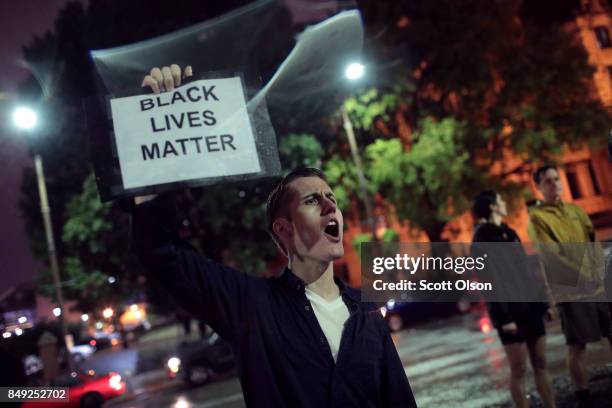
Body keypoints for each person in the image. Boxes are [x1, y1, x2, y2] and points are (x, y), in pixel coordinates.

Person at [131, 65, 416, 407]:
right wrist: (154, 128)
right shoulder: (250, 306)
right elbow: (161, 251)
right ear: (283, 228)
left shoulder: (368, 312)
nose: (330, 207)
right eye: (312, 200)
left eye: (333, 199)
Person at [528, 164, 612, 407]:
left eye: (557, 179)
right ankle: (583, 395)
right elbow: (551, 255)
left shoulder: (576, 210)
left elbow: (592, 240)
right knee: (577, 346)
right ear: (539, 187)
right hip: (570, 290)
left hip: (598, 286)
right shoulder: (538, 218)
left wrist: (598, 270)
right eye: (548, 181)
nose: (554, 184)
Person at [472, 191, 556, 408]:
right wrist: (505, 317)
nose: (504, 203)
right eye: (500, 200)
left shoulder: (510, 233)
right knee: (519, 369)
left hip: (530, 308)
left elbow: (526, 270)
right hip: (509, 314)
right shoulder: (480, 241)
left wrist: (542, 303)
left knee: (540, 363)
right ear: (492, 206)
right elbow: (490, 284)